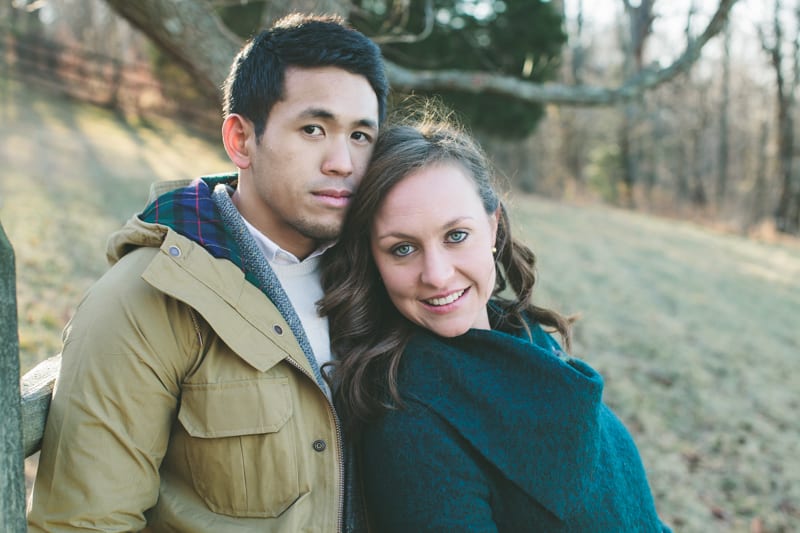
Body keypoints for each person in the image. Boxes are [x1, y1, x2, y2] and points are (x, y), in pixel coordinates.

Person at [28, 13, 388, 532]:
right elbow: (84, 523)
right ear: (241, 140)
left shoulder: (385, 279)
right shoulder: (147, 297)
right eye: (314, 128)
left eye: (360, 135)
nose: (343, 161)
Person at [319, 108, 672, 532]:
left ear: (493, 226)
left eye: (456, 236)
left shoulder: (524, 335)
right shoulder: (411, 423)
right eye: (402, 249)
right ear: (373, 259)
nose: (436, 275)